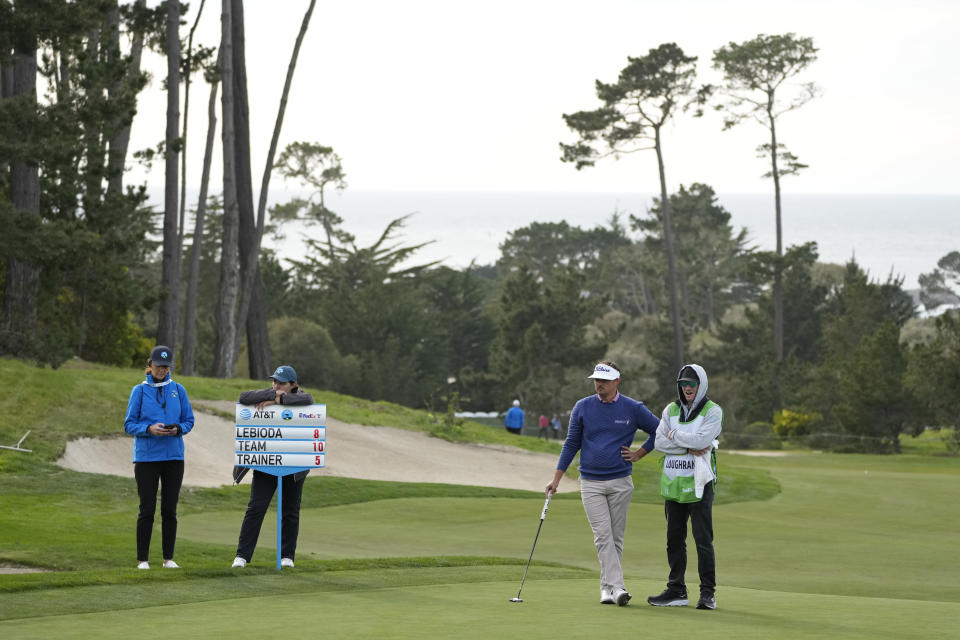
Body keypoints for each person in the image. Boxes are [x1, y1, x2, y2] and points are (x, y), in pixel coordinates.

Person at [545, 361, 660, 606]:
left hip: (621, 481)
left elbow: (659, 430)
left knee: (615, 537)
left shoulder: (633, 408)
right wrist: (556, 479)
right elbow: (571, 443)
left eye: (604, 381)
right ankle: (618, 588)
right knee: (603, 535)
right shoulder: (582, 407)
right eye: (597, 380)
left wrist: (640, 453)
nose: (599, 385)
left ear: (617, 381)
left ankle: (605, 589)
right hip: (590, 483)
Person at [643, 364, 722, 610]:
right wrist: (687, 447)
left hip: (699, 485)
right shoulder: (670, 410)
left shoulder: (713, 411)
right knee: (674, 540)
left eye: (692, 383)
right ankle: (676, 590)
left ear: (701, 385)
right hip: (674, 483)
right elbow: (658, 442)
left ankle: (707, 593)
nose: (687, 388)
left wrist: (673, 437)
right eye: (683, 384)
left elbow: (703, 440)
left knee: (702, 540)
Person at [232, 365, 314, 569]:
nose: (276, 385)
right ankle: (242, 556)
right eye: (274, 381)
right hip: (266, 462)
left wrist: (278, 400)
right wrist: (272, 394)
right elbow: (243, 397)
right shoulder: (263, 395)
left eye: (281, 383)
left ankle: (287, 557)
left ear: (293, 385)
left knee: (290, 510)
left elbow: (308, 400)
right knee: (256, 507)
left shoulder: (301, 397)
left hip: (295, 464)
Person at [123, 345, 195, 570]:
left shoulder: (178, 389)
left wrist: (178, 429)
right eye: (158, 366)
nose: (162, 370)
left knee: (169, 510)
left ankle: (168, 558)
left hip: (173, 456)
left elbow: (189, 420)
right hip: (146, 458)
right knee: (147, 509)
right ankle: (143, 559)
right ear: (150, 365)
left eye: (166, 366)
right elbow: (129, 424)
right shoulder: (139, 391)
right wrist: (149, 429)